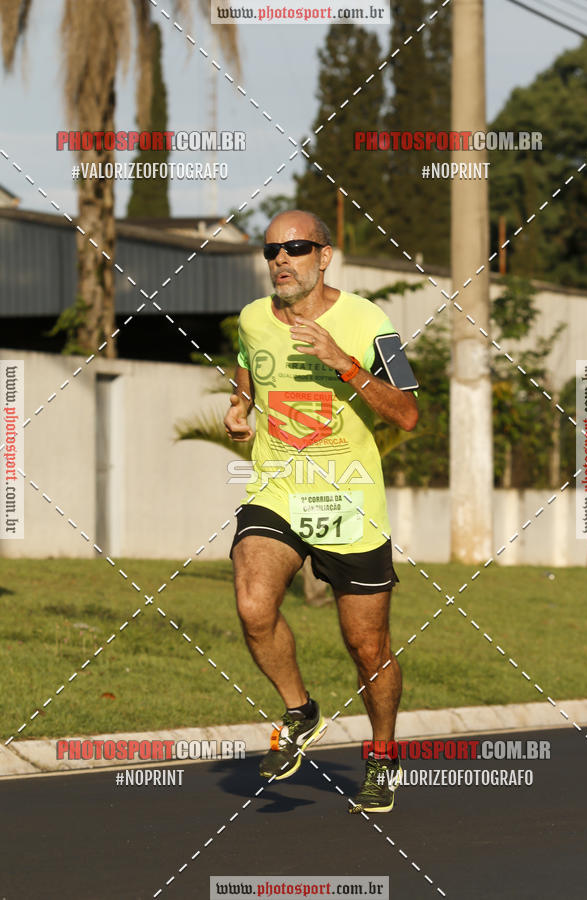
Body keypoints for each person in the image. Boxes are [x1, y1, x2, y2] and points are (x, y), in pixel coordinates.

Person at [224, 209, 418, 814]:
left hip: (348, 497)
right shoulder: (256, 319)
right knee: (254, 604)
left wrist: (342, 360)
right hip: (277, 488)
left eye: (297, 248)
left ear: (325, 255)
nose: (282, 261)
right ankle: (299, 708)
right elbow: (251, 364)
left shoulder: (369, 321)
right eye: (272, 251)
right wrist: (240, 405)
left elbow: (408, 413)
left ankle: (383, 755)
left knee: (367, 645)